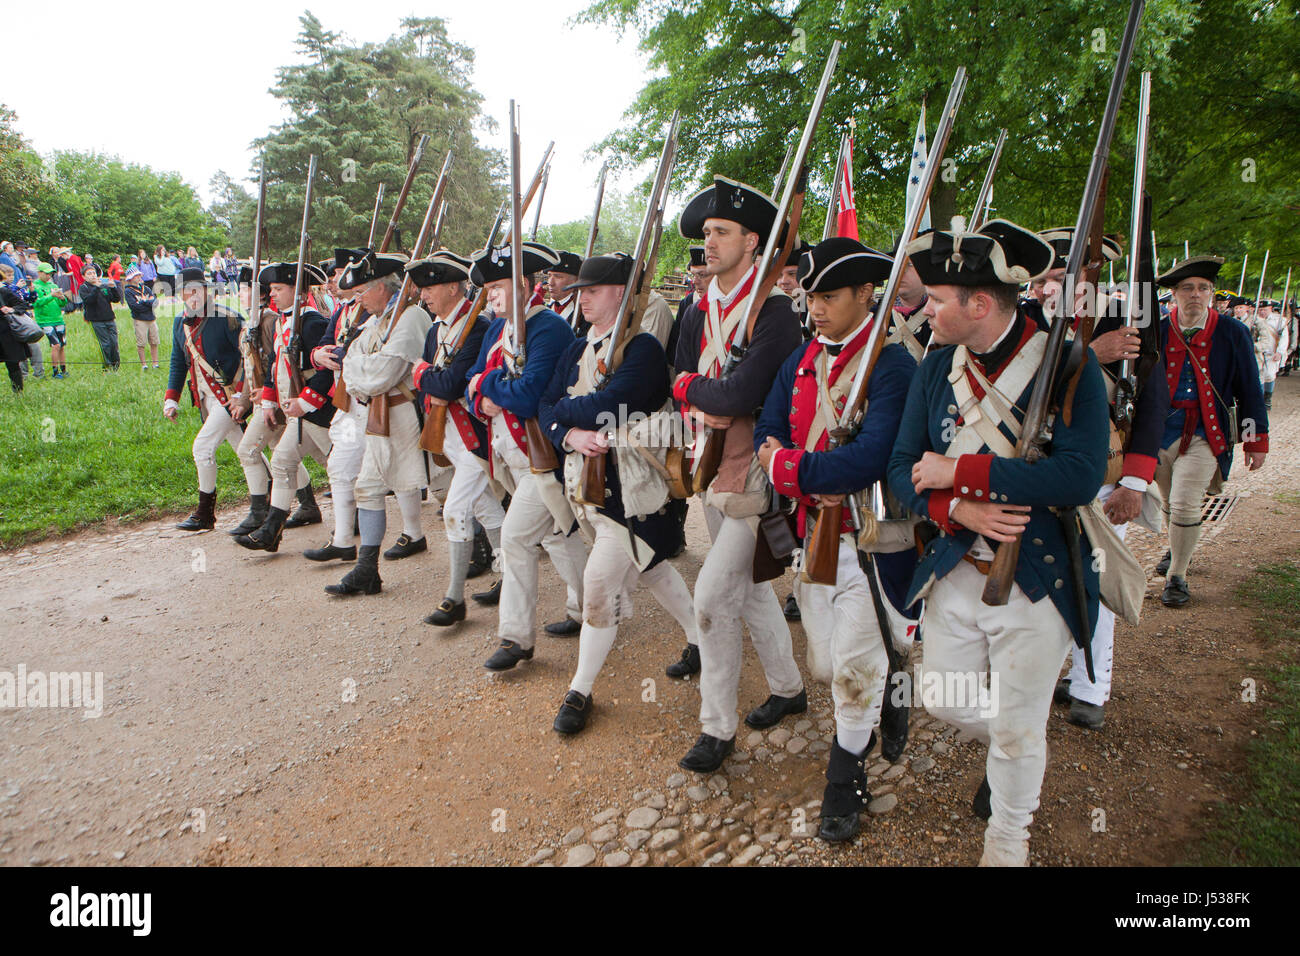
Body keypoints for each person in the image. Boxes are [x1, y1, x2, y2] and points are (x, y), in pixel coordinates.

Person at [886, 218, 1109, 866]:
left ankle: (1007, 842)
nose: (927, 308)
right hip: (957, 565)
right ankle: (1020, 735)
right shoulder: (934, 369)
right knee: (943, 697)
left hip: (1037, 579)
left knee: (1013, 730)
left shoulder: (1068, 365)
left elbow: (1080, 476)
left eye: (937, 299)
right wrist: (956, 506)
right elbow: (902, 469)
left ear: (978, 304)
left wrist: (965, 471)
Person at [755, 237, 918, 839]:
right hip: (812, 537)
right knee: (824, 663)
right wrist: (791, 468)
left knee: (851, 669)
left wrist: (787, 467)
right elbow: (772, 422)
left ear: (865, 294)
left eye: (828, 296)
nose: (815, 307)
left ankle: (843, 779)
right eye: (811, 295)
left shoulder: (894, 364)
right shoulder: (802, 359)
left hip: (872, 543)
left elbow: (872, 458)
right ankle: (890, 690)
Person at [673, 176, 806, 773]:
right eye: (706, 233)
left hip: (753, 474)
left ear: (754, 241)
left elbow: (743, 391)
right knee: (750, 590)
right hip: (706, 462)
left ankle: (715, 728)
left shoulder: (774, 314)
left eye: (721, 232)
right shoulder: (702, 308)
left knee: (710, 599)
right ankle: (788, 687)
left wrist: (705, 392)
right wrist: (708, 394)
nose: (709, 243)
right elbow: (680, 376)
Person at [536, 253, 701, 734]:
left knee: (599, 586)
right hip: (590, 488)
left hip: (637, 491)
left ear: (622, 295)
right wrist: (568, 432)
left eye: (592, 290)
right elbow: (543, 405)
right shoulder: (576, 346)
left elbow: (609, 403)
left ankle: (579, 691)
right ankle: (698, 637)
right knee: (649, 567)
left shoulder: (643, 348)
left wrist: (566, 413)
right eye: (580, 291)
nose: (582, 298)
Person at [1031, 228, 1170, 730]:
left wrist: (1135, 483)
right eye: (1046, 275)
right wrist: (1092, 354)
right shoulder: (1022, 323)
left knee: (1095, 579)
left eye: (1063, 275)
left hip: (1105, 479)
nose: (1052, 285)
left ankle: (1092, 684)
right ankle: (1046, 675)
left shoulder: (1123, 321)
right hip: (1038, 478)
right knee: (1043, 584)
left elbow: (1152, 403)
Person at [464, 241, 587, 669]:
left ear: (521, 284)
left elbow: (529, 393)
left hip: (542, 455)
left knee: (516, 537)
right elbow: (470, 380)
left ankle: (516, 639)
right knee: (556, 534)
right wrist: (483, 395)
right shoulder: (499, 330)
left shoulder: (548, 328)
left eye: (497, 287)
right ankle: (591, 607)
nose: (491, 296)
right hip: (509, 453)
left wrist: (489, 387)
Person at [1153, 256, 1268, 607]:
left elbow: (1250, 387)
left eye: (1203, 288)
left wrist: (1255, 439)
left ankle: (1178, 577)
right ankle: (1176, 551)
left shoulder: (1233, 332)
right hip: (1159, 432)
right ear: (1174, 294)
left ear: (1212, 294)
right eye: (1187, 288)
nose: (1196, 295)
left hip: (1206, 430)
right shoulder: (1156, 329)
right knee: (1169, 501)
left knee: (1186, 502)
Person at [315, 250, 430, 590]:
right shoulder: (378, 320)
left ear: (383, 288)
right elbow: (350, 359)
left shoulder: (410, 319)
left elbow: (382, 374)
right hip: (380, 416)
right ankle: (367, 570)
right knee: (367, 488)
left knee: (451, 488)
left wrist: (359, 370)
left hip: (403, 415)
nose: (359, 297)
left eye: (364, 290)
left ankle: (483, 546)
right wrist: (359, 369)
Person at [411, 251, 505, 625]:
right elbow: (426, 384)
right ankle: (508, 574)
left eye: (430, 286)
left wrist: (425, 378)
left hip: (475, 435)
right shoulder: (437, 330)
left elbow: (447, 383)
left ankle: (454, 598)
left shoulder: (477, 327)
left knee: (454, 510)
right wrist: (427, 382)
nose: (424, 294)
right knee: (485, 508)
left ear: (454, 286)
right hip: (449, 434)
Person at [233, 262, 335, 552]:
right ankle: (271, 530)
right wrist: (268, 400)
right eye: (272, 289)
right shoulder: (283, 322)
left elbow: (326, 372)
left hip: (318, 410)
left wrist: (306, 402)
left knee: (339, 467)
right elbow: (276, 367)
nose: (272, 294)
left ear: (297, 290)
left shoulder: (312, 322)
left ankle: (352, 520)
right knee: (282, 462)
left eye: (278, 289)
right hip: (298, 410)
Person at [163, 267, 246, 530]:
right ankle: (297, 499)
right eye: (186, 291)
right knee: (245, 449)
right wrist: (171, 398)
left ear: (207, 291)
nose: (192, 296)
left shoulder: (228, 318)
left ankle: (205, 513)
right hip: (205, 398)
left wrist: (244, 393)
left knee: (202, 448)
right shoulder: (180, 322)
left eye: (197, 290)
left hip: (230, 395)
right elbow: (178, 361)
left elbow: (250, 358)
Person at [302, 248, 370, 562]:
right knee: (341, 469)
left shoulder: (370, 309)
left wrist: (336, 355)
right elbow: (325, 342)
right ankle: (345, 541)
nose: (333, 280)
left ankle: (415, 532)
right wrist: (317, 355)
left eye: (339, 272)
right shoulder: (344, 309)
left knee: (418, 478)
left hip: (373, 400)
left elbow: (361, 350)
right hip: (349, 400)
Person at [79, 265, 121, 370]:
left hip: (109, 318)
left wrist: (113, 288)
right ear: (84, 277)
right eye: (89, 274)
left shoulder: (104, 286)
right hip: (96, 320)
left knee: (114, 343)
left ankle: (116, 365)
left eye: (93, 273)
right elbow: (89, 300)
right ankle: (107, 366)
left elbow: (115, 299)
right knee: (105, 343)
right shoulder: (84, 288)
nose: (93, 275)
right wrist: (96, 288)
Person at [32, 263, 69, 378]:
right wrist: (51, 296)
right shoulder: (35, 286)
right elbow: (37, 303)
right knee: (56, 345)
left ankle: (64, 370)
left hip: (58, 319)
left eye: (50, 273)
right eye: (46, 273)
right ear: (39, 273)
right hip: (45, 320)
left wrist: (62, 298)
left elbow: (61, 303)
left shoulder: (52, 284)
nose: (48, 276)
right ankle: (55, 371)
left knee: (62, 345)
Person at [124, 268, 161, 368]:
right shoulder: (128, 291)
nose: (139, 277)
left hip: (151, 318)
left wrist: (144, 302)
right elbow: (134, 306)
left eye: (140, 275)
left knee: (154, 341)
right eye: (136, 276)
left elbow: (155, 302)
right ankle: (144, 364)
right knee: (141, 343)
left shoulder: (146, 288)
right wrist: (147, 303)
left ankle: (155, 363)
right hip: (140, 320)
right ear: (130, 278)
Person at [547, 251, 583, 332]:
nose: (550, 283)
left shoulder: (583, 315)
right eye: (549, 276)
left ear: (575, 281)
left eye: (558, 277)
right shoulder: (546, 310)